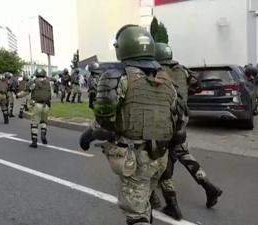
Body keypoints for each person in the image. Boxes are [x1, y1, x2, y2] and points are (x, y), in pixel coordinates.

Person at [79, 25, 186, 225]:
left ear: (122, 47)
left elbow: (104, 123)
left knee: (136, 216)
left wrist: (87, 135)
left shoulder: (118, 78)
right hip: (160, 157)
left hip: (136, 158)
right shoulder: (167, 82)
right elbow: (179, 125)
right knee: (144, 202)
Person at [153, 42, 222, 220]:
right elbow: (197, 86)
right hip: (182, 120)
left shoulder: (155, 71)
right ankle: (208, 186)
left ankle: (171, 205)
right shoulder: (181, 69)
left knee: (161, 162)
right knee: (183, 153)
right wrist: (184, 95)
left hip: (164, 122)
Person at [17, 68, 52, 148]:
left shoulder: (33, 81)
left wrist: (18, 95)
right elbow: (51, 94)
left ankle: (34, 142)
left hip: (36, 105)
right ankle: (43, 135)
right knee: (44, 121)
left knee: (34, 123)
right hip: (46, 105)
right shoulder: (48, 82)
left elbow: (26, 91)